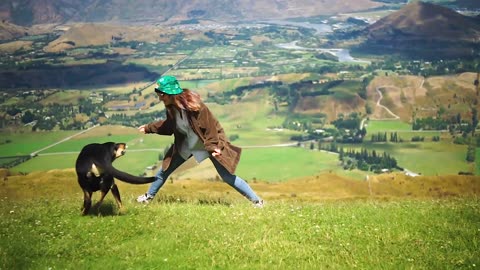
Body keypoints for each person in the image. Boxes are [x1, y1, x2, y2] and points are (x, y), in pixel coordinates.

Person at [136, 75, 264, 207]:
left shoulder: (196, 107)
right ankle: (148, 197)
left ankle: (257, 201)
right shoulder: (172, 109)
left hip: (208, 143)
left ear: (170, 94)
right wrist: (149, 128)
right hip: (187, 143)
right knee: (165, 169)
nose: (160, 97)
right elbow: (169, 126)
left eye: (161, 94)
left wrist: (214, 147)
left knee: (227, 177)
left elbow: (210, 127)